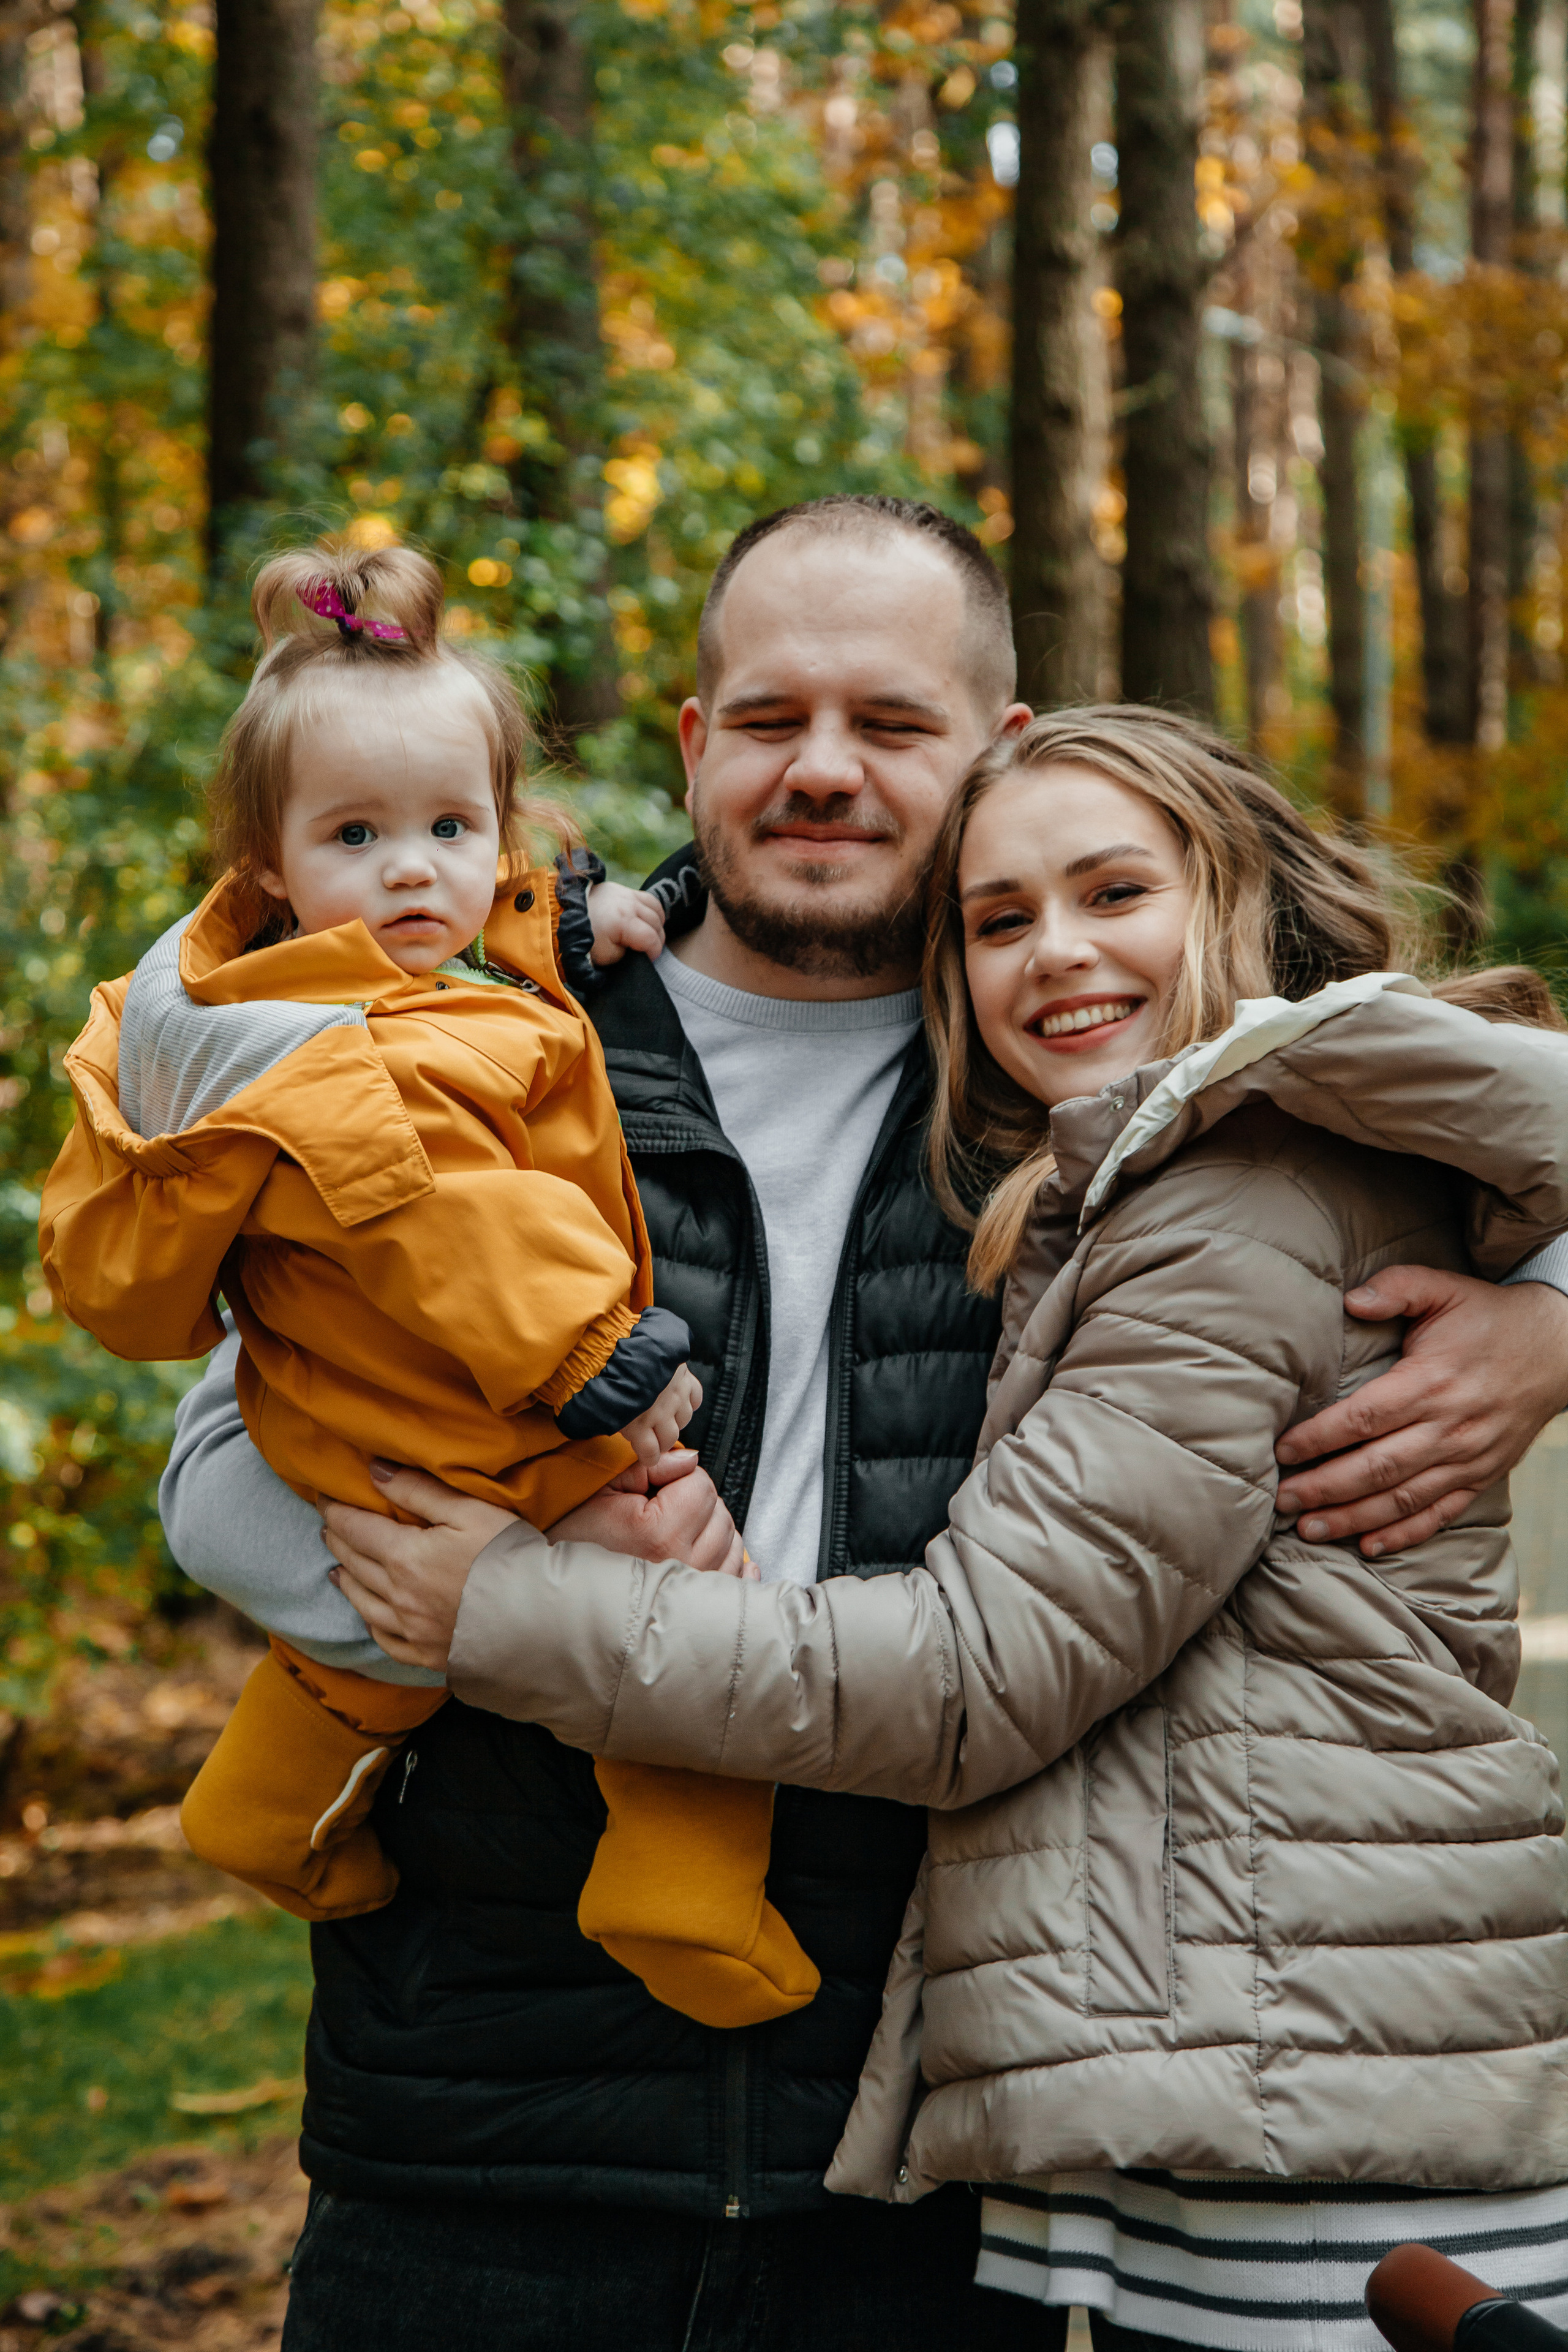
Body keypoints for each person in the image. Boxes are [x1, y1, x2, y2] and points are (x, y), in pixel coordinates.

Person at [160, 500, 1568, 2351]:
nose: (821, 769)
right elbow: (222, 1476)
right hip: (488, 2127)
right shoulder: (490, 1034)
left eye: (891, 725)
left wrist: (1553, 1311)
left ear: (997, 749)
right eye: (769, 719)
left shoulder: (1085, 1064)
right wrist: (507, 1573)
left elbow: (1440, 1094)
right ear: (694, 744)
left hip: (913, 2165)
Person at [39, 537, 820, 2035]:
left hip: (341, 1416)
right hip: (478, 1403)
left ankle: (265, 1809)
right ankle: (682, 1879)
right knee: (677, 1577)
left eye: (452, 827)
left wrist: (567, 926)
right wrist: (605, 1365)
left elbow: (475, 970)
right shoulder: (364, 1067)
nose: (413, 869)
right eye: (357, 836)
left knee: (377, 1648)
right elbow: (457, 1227)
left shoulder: (311, 1001)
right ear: (268, 866)